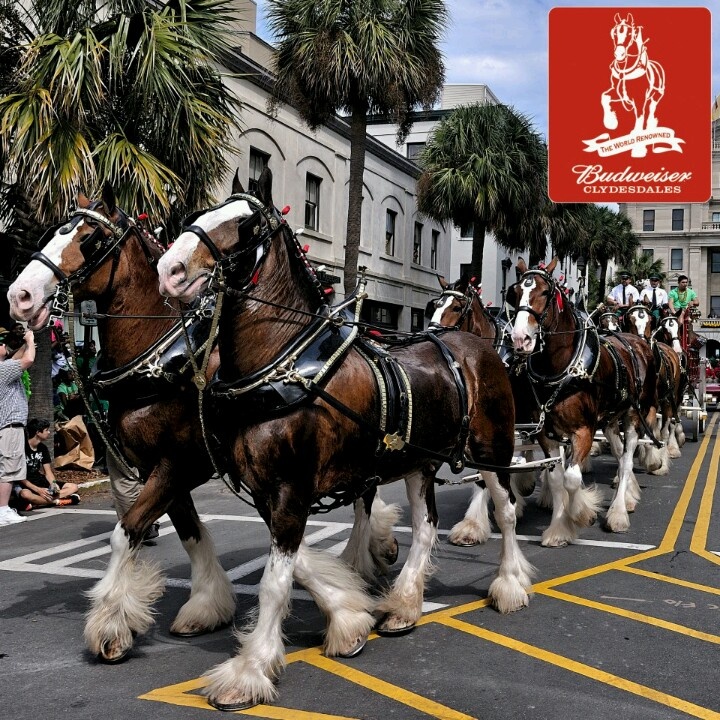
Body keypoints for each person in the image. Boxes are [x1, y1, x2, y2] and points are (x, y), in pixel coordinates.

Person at [0, 325, 35, 526]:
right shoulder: (3, 370)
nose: (4, 344)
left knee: (6, 467)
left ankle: (3, 508)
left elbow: (17, 358)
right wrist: (30, 341)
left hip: (7, 426)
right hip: (9, 425)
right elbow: (28, 359)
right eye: (1, 343)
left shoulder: (6, 367)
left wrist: (25, 341)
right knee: (8, 469)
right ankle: (3, 510)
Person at [17, 418, 80, 509]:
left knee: (73, 487)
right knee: (25, 494)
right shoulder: (22, 448)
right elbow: (19, 476)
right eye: (46, 430)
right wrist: (38, 490)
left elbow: (48, 472)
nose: (49, 432)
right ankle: (58, 501)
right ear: (38, 432)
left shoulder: (43, 448)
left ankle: (40, 502)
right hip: (27, 483)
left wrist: (53, 484)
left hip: (40, 480)